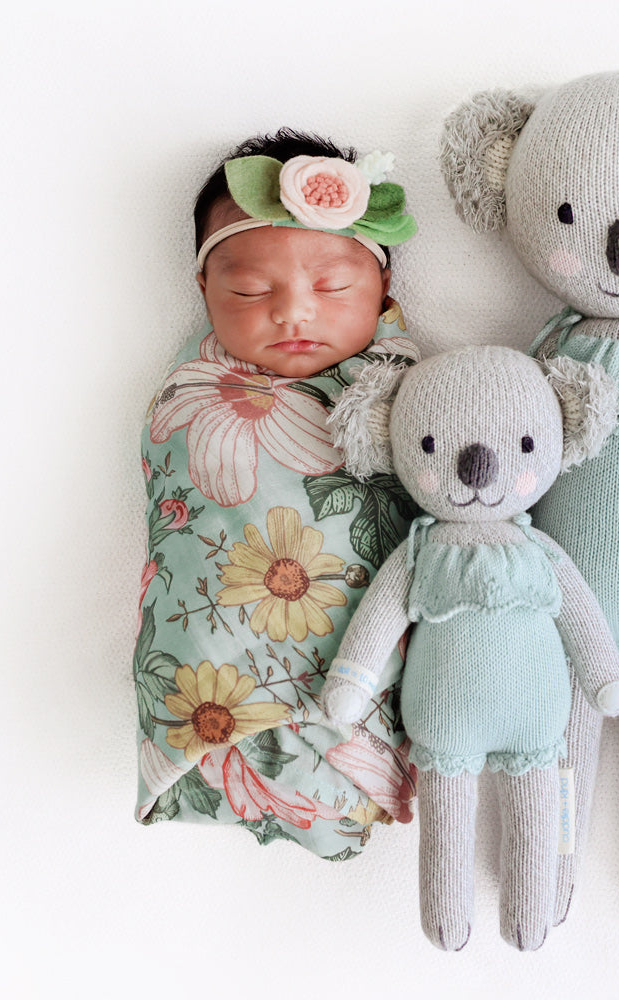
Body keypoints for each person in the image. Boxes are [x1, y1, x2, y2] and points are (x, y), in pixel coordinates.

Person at [134, 129, 419, 860]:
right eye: (251, 289)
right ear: (204, 289)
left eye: (332, 287)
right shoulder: (190, 395)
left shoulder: (417, 398)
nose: (293, 312)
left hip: (358, 684)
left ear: (386, 287)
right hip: (214, 692)